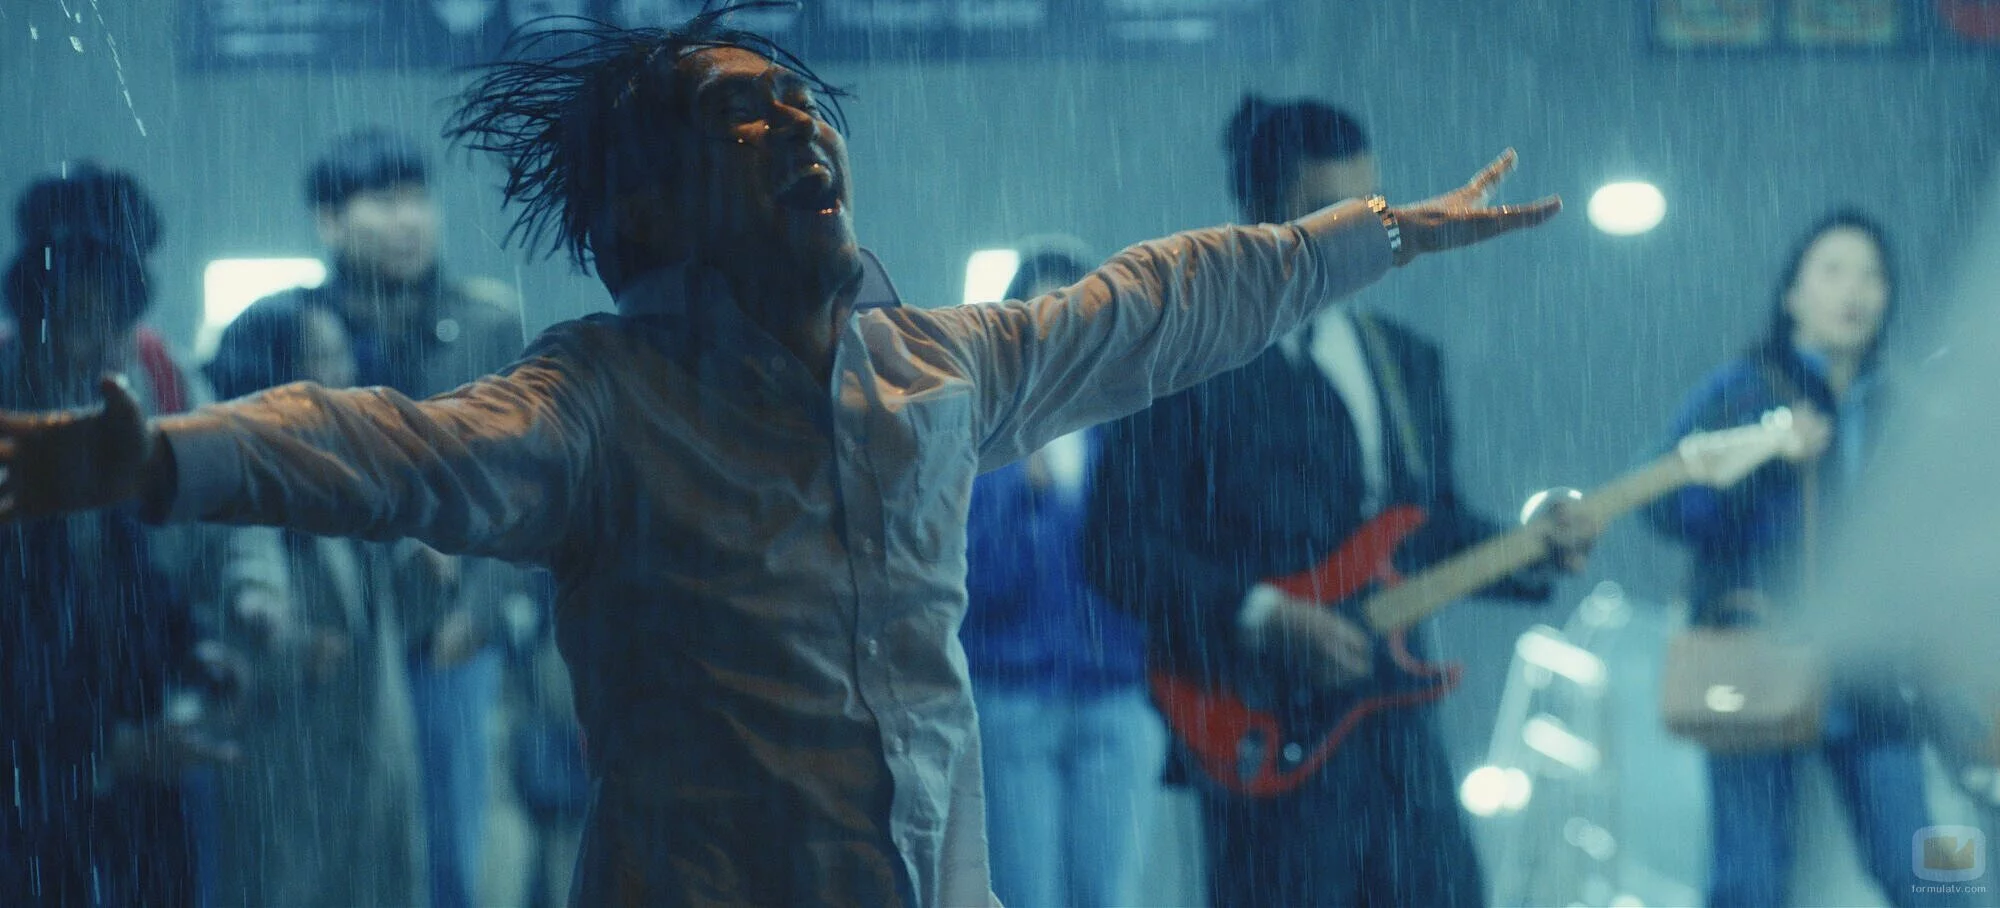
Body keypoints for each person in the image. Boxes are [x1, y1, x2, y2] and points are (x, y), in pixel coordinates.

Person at [0, 10, 1560, 905]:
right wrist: (155, 463)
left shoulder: (939, 368)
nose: (801, 127)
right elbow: (388, 446)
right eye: (739, 119)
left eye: (803, 102)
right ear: (648, 208)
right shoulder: (600, 403)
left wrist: (1370, 236)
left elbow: (1156, 304)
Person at [1083, 96, 1598, 908]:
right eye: (1331, 210)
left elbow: (1426, 529)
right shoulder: (1185, 364)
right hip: (1263, 721)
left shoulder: (1405, 360)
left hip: (1397, 740)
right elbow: (1117, 546)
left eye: (1374, 206)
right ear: (1257, 215)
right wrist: (1261, 615)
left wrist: (1534, 545)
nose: (1365, 232)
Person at [203, 127, 534, 908]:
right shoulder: (287, 325)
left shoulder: (484, 325)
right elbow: (237, 471)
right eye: (382, 202)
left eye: (418, 199)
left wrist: (484, 612)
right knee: (318, 844)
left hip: (446, 629)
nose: (408, 219)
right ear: (329, 219)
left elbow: (527, 486)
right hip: (328, 630)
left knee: (446, 851)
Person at [1646, 210, 1934, 908]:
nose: (1854, 290)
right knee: (1749, 877)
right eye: (1832, 271)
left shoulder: (1905, 402)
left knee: (1931, 865)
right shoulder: (1740, 391)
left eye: (1872, 275)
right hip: (1755, 654)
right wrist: (1766, 458)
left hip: (1876, 666)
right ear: (1793, 294)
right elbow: (1662, 503)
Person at [0, 163, 238, 908]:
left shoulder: (112, 418)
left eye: (110, 327)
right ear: (33, 322)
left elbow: (136, 582)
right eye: (75, 323)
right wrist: (102, 750)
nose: (97, 351)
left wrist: (196, 650)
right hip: (37, 797)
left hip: (126, 777)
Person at [960, 238, 1166, 908]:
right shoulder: (982, 438)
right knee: (1026, 895)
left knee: (1110, 895)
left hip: (1114, 695)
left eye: (1076, 310)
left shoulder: (1128, 433)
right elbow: (974, 586)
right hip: (1014, 700)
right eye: (1042, 312)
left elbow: (1156, 563)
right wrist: (1024, 498)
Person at [200, 300, 426, 907]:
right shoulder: (243, 469)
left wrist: (429, 570)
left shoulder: (359, 466)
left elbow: (397, 612)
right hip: (290, 755)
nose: (344, 373)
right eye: (323, 358)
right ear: (277, 375)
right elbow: (247, 568)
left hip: (369, 750)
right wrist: (273, 624)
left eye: (342, 353)